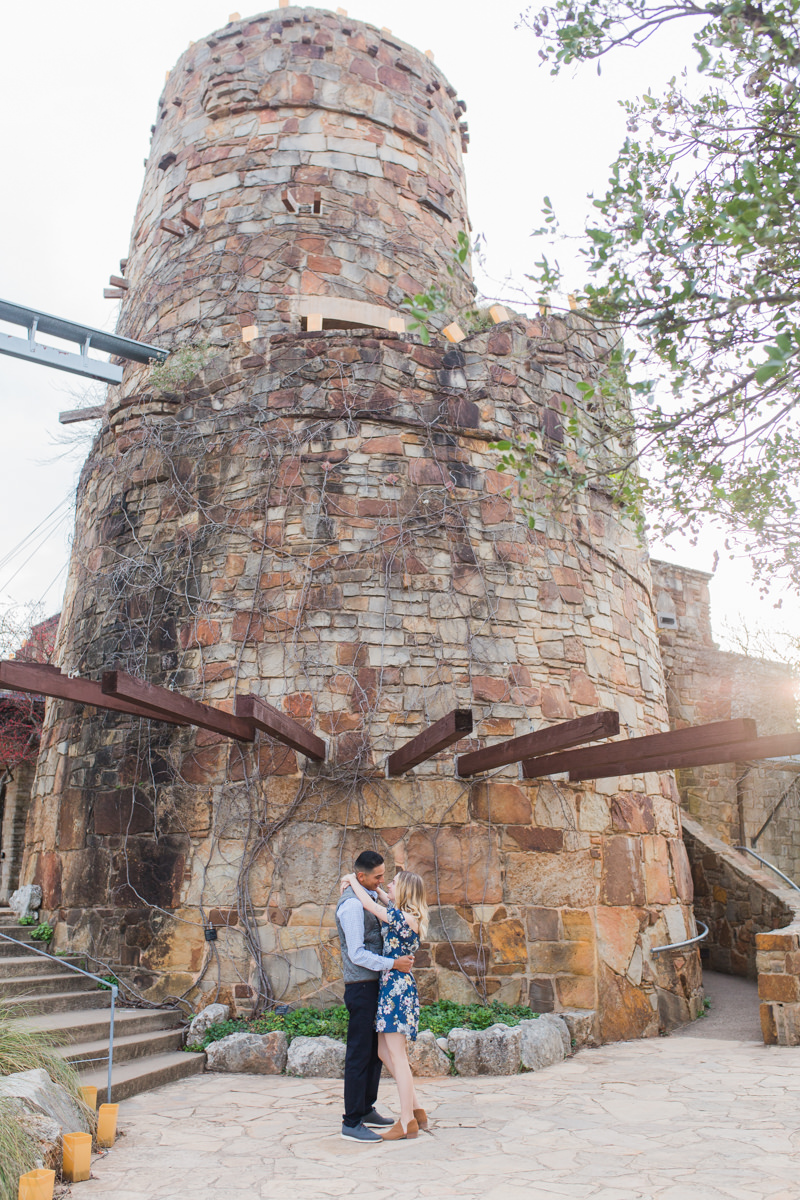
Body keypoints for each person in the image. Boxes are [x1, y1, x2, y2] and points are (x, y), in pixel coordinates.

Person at [342, 861, 429, 1142]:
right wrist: (369, 885)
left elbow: (371, 906)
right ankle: (416, 1108)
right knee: (382, 1053)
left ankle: (406, 1122)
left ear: (402, 892)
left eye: (392, 883)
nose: (385, 885)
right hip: (390, 987)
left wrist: (351, 880)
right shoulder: (402, 914)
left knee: (398, 1057)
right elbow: (381, 898)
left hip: (396, 989)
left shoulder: (403, 918)